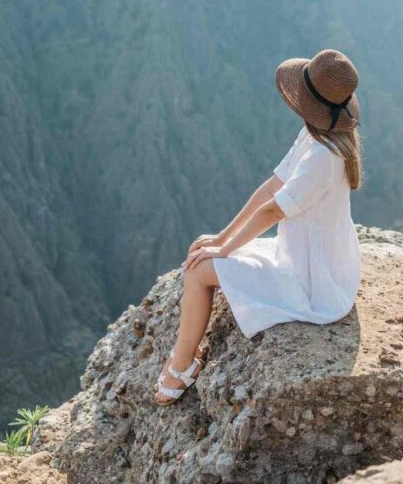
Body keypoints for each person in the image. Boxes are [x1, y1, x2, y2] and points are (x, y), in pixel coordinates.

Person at [153, 49, 364, 405]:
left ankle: (181, 366)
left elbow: (272, 211)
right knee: (202, 249)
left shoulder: (322, 158)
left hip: (313, 283)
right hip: (309, 258)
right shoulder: (318, 138)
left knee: (199, 272)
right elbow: (272, 186)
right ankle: (185, 354)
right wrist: (221, 238)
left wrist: (225, 249)